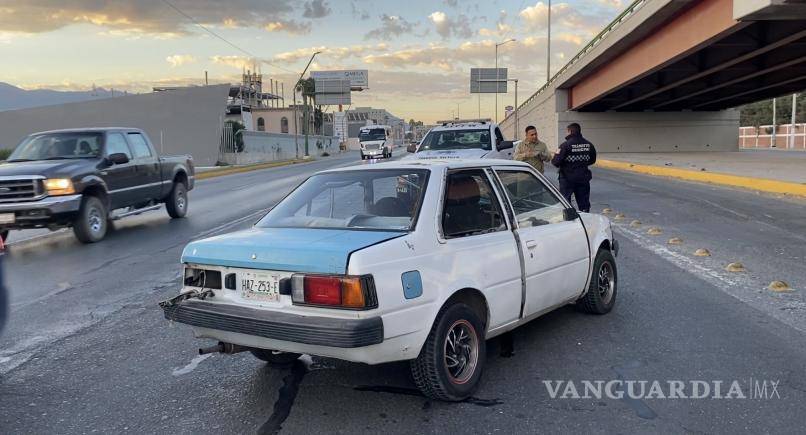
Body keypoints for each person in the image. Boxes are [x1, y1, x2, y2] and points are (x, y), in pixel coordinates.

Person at [551, 122, 597, 212]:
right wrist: (581, 163)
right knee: (584, 205)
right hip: (583, 178)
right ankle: (585, 218)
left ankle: (569, 219)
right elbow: (592, 160)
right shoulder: (589, 145)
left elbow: (555, 162)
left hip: (567, 179)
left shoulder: (564, 145)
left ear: (570, 131)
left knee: (566, 204)